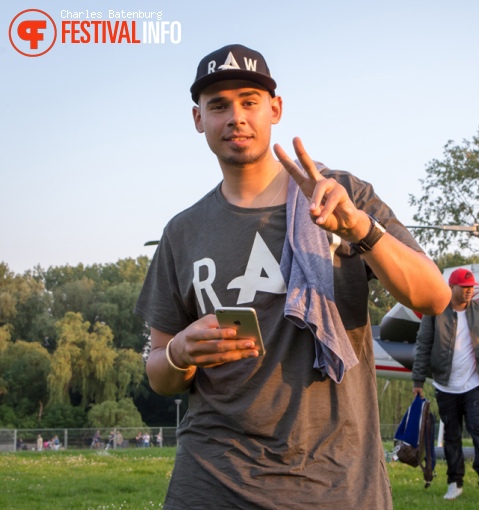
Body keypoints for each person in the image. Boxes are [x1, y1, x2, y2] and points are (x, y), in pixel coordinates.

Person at [134, 43, 450, 509]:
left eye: (249, 101)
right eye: (218, 105)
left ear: (274, 109)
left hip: (336, 481)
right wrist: (180, 353)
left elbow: (434, 296)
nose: (235, 117)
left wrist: (359, 229)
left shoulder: (341, 194)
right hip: (211, 480)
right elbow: (159, 371)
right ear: (198, 119)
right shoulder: (182, 232)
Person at [412, 268, 479, 504]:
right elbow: (423, 346)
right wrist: (418, 380)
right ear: (451, 288)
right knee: (452, 436)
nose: (469, 291)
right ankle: (455, 482)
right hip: (446, 386)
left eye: (471, 287)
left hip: (477, 384)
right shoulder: (434, 313)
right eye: (464, 287)